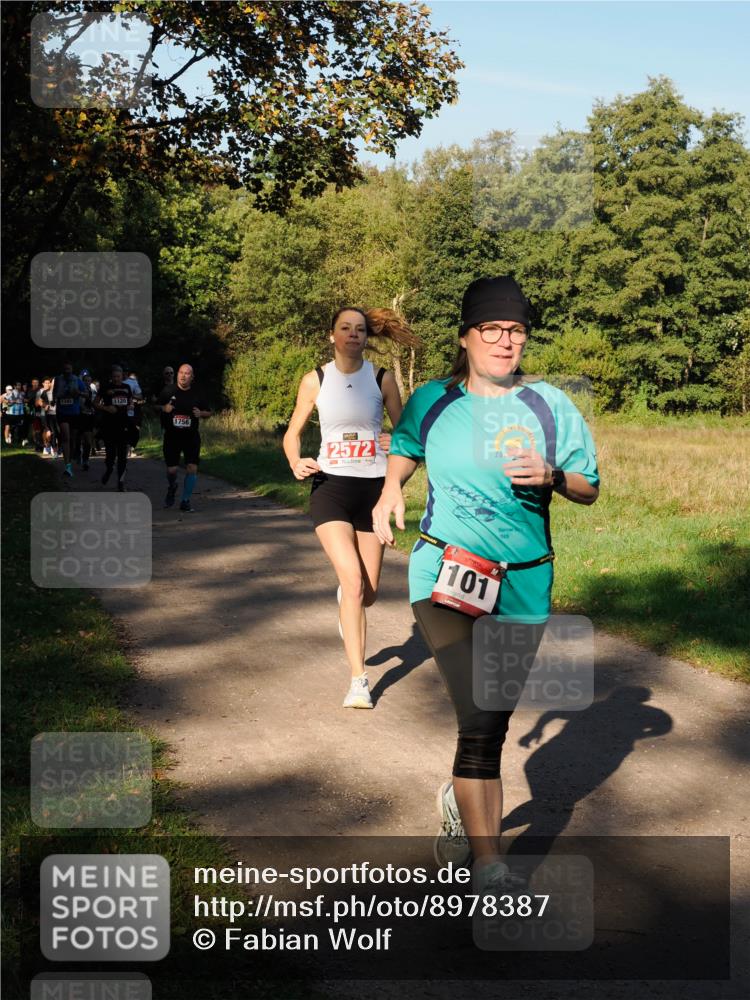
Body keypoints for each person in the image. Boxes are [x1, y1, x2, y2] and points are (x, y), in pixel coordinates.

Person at [373, 276, 600, 886]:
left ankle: (458, 802)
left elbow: (590, 487)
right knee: (478, 717)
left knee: (494, 717)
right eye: (492, 330)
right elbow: (406, 444)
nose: (505, 342)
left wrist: (553, 476)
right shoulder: (433, 399)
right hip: (445, 571)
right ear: (466, 337)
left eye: (516, 330)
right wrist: (393, 487)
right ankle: (492, 866)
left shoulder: (551, 405)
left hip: (524, 581)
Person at [283, 307, 417, 709]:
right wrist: (295, 462)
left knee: (368, 592)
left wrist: (399, 442)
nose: (353, 335)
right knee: (355, 581)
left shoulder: (382, 379)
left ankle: (349, 598)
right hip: (331, 489)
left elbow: (406, 432)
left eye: (359, 330)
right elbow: (292, 435)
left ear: (366, 336)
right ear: (332, 336)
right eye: (345, 329)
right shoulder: (316, 380)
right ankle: (359, 679)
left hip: (373, 490)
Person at [158, 363, 211, 512]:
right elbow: (155, 406)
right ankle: (172, 485)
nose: (183, 375)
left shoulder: (198, 393)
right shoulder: (168, 391)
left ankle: (185, 501)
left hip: (191, 437)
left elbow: (209, 412)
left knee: (192, 467)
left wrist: (201, 414)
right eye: (181, 372)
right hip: (172, 437)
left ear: (192, 377)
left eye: (187, 373)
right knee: (172, 470)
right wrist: (164, 408)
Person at [95, 364, 133, 491]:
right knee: (110, 456)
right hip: (109, 426)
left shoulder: (127, 387)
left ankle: (121, 483)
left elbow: (130, 401)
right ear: (111, 377)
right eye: (114, 377)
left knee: (123, 456)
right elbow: (95, 403)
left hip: (123, 426)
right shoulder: (105, 388)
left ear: (122, 376)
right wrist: (106, 408)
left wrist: (130, 406)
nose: (116, 379)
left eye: (118, 376)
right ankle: (109, 469)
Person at [52, 362, 86, 477]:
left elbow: (86, 394)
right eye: (65, 369)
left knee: (73, 439)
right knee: (65, 437)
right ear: (62, 370)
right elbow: (54, 394)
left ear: (72, 369)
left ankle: (74, 456)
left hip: (74, 412)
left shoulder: (77, 380)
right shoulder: (57, 379)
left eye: (69, 369)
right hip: (62, 412)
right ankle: (67, 466)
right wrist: (56, 398)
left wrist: (78, 393)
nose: (67, 371)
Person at [77, 370, 96, 471]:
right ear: (82, 381)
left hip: (89, 417)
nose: (87, 382)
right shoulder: (79, 390)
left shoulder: (92, 390)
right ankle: (78, 453)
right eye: (85, 380)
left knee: (88, 441)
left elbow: (94, 403)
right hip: (80, 416)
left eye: (89, 380)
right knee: (79, 439)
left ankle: (86, 460)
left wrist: (93, 408)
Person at [124, 370, 144, 457]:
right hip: (127, 412)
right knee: (133, 431)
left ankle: (128, 449)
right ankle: (128, 450)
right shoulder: (132, 383)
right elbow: (140, 396)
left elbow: (140, 398)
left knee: (132, 431)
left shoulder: (132, 383)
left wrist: (131, 396)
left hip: (133, 411)